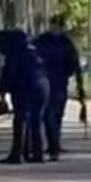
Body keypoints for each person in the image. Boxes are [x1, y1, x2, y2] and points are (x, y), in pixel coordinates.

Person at [0, 29, 49, 164]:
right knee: (36, 121)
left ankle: (17, 154)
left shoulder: (14, 55)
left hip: (25, 88)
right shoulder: (33, 52)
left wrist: (2, 92)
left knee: (21, 120)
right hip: (42, 87)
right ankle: (37, 153)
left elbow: (9, 75)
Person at [35, 15, 85, 161]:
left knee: (55, 115)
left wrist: (80, 87)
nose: (55, 28)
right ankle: (54, 146)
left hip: (58, 84)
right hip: (48, 83)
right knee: (49, 115)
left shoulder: (63, 43)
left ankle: (54, 144)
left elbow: (76, 66)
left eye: (58, 26)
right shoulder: (43, 41)